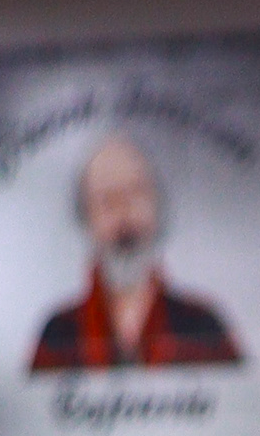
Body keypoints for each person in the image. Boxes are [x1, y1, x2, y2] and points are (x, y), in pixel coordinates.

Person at [28, 132, 240, 372]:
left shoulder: (203, 325)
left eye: (136, 194)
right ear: (85, 217)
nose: (124, 216)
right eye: (107, 200)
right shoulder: (58, 333)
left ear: (157, 205)